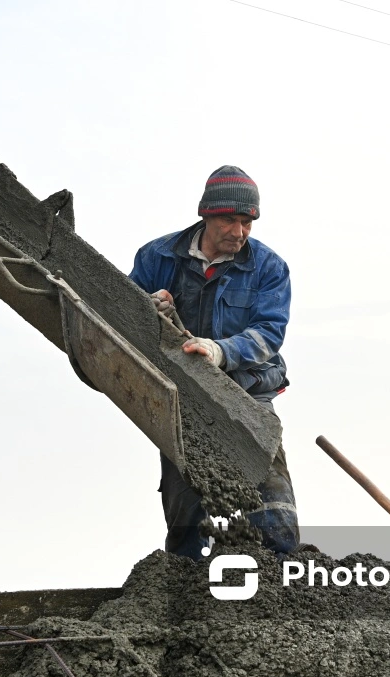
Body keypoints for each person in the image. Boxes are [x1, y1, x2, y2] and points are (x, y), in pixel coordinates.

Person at [130, 165, 299, 560]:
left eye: (246, 223)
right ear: (206, 215)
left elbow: (270, 333)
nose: (238, 232)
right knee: (185, 510)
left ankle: (279, 576)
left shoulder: (269, 268)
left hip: (248, 395)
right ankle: (187, 584)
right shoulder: (157, 257)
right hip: (180, 400)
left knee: (273, 504)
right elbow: (122, 312)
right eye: (229, 220)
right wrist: (148, 308)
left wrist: (220, 351)